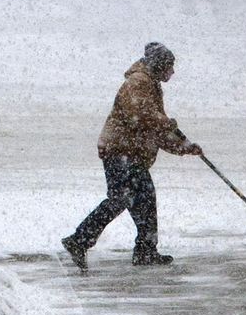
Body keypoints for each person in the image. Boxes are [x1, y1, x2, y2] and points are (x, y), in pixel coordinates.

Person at [62, 44, 202, 271]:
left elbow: (155, 131)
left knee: (143, 199)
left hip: (132, 154)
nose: (173, 72)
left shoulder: (151, 85)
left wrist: (184, 147)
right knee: (122, 198)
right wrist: (168, 123)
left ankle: (145, 251)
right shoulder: (138, 82)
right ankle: (79, 241)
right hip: (121, 152)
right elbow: (140, 114)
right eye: (170, 66)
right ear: (160, 65)